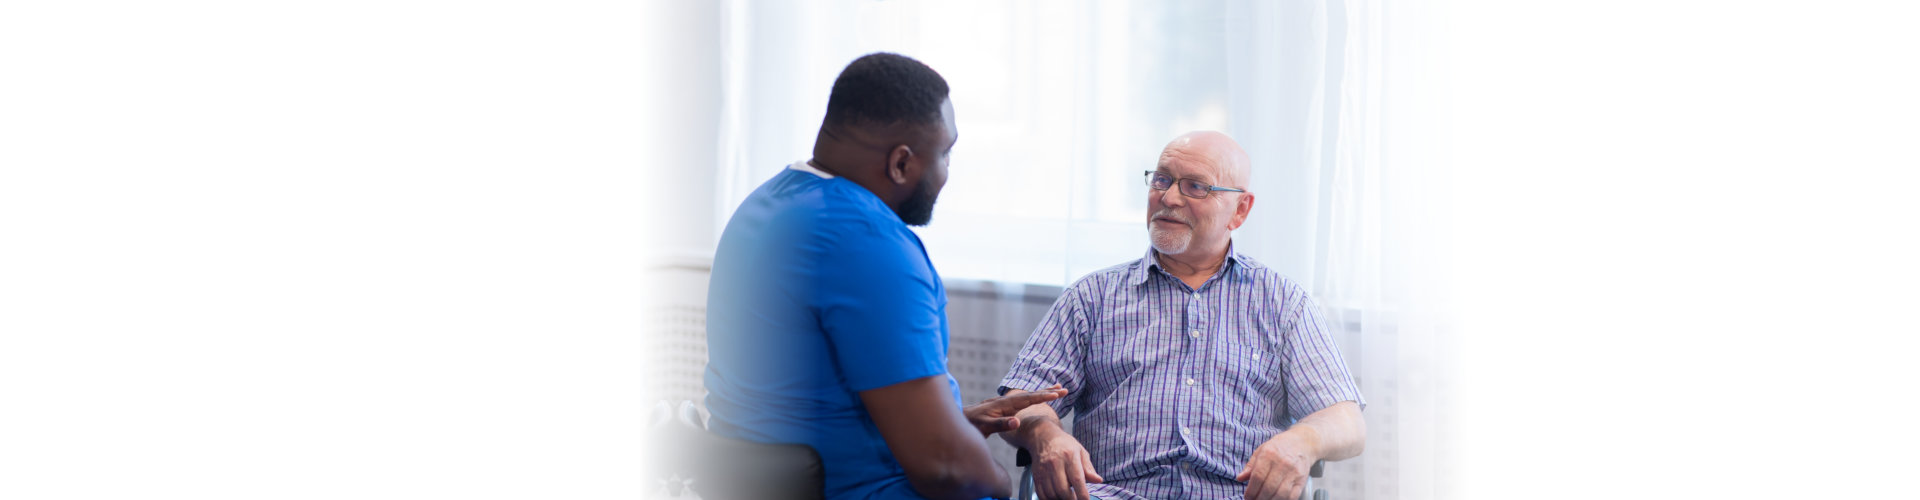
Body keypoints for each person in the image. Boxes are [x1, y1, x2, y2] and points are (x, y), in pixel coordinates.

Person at [703, 52, 1065, 500]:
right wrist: (996, 481)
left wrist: (954, 422)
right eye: (946, 154)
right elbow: (947, 469)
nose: (947, 172)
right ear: (901, 163)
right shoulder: (868, 241)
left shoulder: (769, 204)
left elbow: (807, 399)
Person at [996, 131, 1366, 500]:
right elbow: (1020, 400)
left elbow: (1347, 421)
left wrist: (1303, 441)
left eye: (1195, 187)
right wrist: (1045, 434)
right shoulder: (1091, 298)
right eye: (1162, 180)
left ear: (1240, 210)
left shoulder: (1283, 304)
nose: (1169, 197)